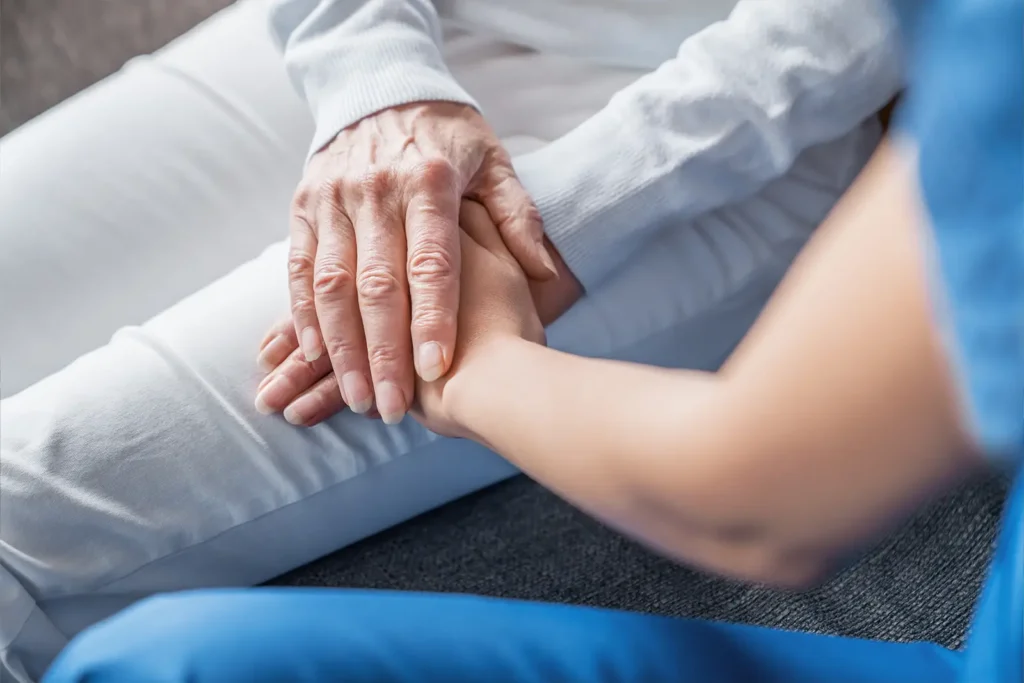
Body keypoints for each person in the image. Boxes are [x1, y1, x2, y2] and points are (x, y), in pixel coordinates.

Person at [39, 0, 1024, 679]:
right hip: (417, 26)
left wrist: (517, 256)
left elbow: (760, 496)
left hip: (741, 135)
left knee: (26, 507)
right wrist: (367, 74)